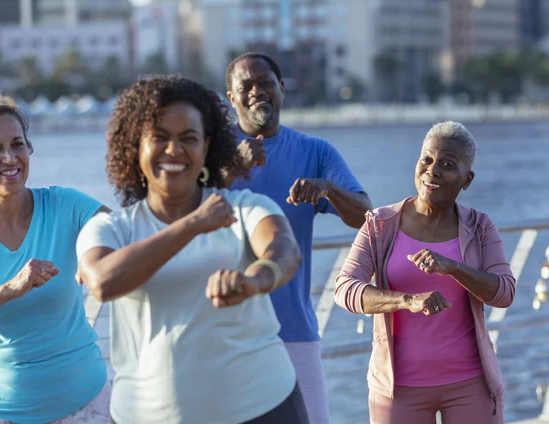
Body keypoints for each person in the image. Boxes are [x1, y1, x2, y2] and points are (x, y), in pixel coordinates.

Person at [76, 76, 308, 424]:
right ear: (135, 144)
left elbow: (284, 251)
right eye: (160, 137)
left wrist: (254, 282)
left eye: (188, 138)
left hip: (264, 407)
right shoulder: (111, 228)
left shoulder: (244, 207)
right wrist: (192, 224)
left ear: (206, 147)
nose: (174, 150)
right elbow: (103, 282)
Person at [224, 52, 372, 423]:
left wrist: (326, 189)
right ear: (231, 99)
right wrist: (231, 168)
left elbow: (364, 215)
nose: (258, 91)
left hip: (293, 328)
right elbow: (179, 212)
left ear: (282, 89)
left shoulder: (315, 152)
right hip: (223, 333)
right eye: (246, 86)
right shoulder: (209, 149)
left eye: (266, 83)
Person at [334, 121, 515, 424]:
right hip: (397, 389)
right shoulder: (379, 224)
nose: (432, 171)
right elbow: (344, 289)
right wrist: (408, 300)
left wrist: (453, 267)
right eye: (426, 160)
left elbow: (504, 292)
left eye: (447, 164)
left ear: (466, 179)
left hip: (471, 384)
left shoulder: (481, 227)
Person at [0, 97, 110, 424]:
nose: (10, 158)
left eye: (17, 144)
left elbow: (128, 232)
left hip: (87, 406)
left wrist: (96, 253)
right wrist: (9, 290)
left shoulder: (65, 205)